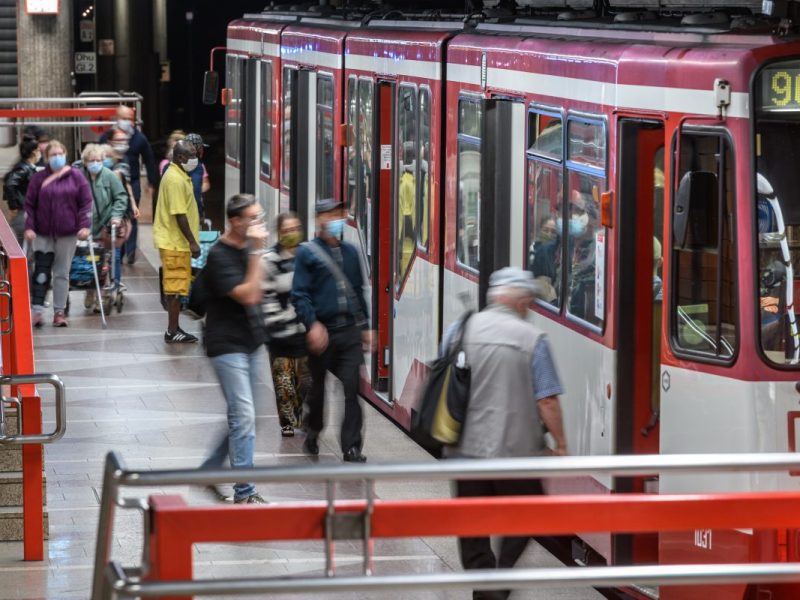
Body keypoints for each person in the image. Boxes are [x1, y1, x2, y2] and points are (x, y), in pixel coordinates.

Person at [442, 267, 567, 600]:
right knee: (528, 516)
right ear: (521, 300)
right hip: (515, 451)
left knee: (472, 526)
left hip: (464, 450)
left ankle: (486, 587)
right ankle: (499, 580)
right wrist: (561, 444)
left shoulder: (460, 328)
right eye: (529, 301)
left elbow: (443, 376)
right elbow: (548, 399)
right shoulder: (532, 339)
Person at [292, 198, 374, 463]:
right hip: (322, 333)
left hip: (348, 332)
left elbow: (359, 292)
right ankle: (313, 430)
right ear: (318, 219)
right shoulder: (307, 253)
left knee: (352, 388)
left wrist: (366, 327)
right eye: (329, 214)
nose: (334, 219)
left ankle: (351, 447)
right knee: (318, 391)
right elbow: (299, 294)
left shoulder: (351, 252)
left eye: (338, 214)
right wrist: (312, 324)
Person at [199, 193, 268, 505]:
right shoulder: (220, 255)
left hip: (250, 342)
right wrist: (256, 254)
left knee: (245, 417)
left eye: (259, 217)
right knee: (244, 416)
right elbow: (249, 295)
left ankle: (210, 470)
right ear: (235, 222)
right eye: (252, 219)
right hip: (226, 345)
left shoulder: (248, 250)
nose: (258, 224)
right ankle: (245, 491)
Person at [24, 140, 92, 327]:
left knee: (62, 273)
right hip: (42, 233)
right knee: (42, 271)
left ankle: (59, 312)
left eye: (59, 154)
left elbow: (86, 203)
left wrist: (85, 226)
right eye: (53, 155)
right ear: (46, 158)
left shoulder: (76, 176)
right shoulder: (38, 179)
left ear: (65, 154)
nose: (57, 158)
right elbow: (29, 205)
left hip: (67, 233)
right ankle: (37, 310)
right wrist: (29, 226)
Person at [263, 212, 310, 437]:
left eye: (295, 229)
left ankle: (298, 412)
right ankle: (287, 422)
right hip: (279, 332)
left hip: (303, 330)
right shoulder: (269, 260)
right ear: (280, 233)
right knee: (284, 379)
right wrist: (277, 323)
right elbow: (267, 297)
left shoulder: (307, 256)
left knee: (304, 380)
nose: (292, 234)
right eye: (287, 230)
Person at [153, 140, 200, 343]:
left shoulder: (179, 175)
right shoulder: (175, 179)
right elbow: (179, 214)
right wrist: (192, 242)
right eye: (191, 154)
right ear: (180, 157)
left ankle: (175, 328)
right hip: (175, 242)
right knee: (173, 289)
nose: (195, 158)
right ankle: (172, 331)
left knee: (177, 286)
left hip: (175, 242)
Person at [99, 105, 157, 265]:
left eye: (129, 118)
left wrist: (152, 182)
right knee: (115, 217)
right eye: (123, 118)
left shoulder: (139, 138)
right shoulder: (107, 136)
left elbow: (149, 159)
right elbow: (97, 154)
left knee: (132, 216)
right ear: (116, 118)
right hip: (110, 183)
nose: (126, 122)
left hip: (133, 181)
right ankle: (119, 249)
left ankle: (130, 251)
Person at [78, 144, 129, 296]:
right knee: (88, 261)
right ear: (85, 162)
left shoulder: (109, 175)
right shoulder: (80, 177)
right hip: (86, 227)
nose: (95, 163)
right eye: (92, 160)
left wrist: (116, 216)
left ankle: (103, 290)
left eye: (98, 159)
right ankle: (90, 291)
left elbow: (120, 196)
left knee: (104, 261)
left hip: (105, 226)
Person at [4, 138, 40, 244]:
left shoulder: (28, 168)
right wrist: (13, 206)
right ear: (34, 152)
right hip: (23, 213)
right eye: (38, 150)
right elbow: (10, 184)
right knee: (24, 247)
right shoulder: (23, 168)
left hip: (27, 212)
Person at [185, 133, 211, 219]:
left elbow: (205, 184)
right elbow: (196, 191)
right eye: (202, 148)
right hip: (191, 211)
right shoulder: (197, 167)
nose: (203, 150)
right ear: (197, 150)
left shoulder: (172, 165)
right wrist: (199, 212)